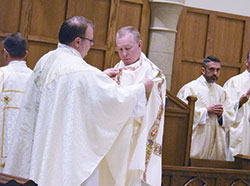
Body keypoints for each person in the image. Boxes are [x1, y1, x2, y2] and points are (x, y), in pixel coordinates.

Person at [3, 16, 153, 186]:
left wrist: (100, 77)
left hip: (42, 149)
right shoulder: (80, 70)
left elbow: (68, 92)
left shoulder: (46, 60)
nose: (91, 45)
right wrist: (141, 88)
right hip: (61, 154)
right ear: (78, 41)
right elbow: (113, 100)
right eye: (91, 40)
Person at [100, 26, 166, 186]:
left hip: (136, 136)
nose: (124, 54)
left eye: (128, 49)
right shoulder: (115, 69)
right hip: (114, 138)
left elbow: (151, 108)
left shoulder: (153, 74)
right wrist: (102, 80)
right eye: (120, 49)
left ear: (139, 44)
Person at [177, 56, 236, 160]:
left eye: (218, 70)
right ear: (203, 70)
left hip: (216, 143)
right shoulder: (190, 88)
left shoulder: (222, 92)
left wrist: (221, 115)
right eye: (212, 69)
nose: (215, 73)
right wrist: (206, 111)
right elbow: (181, 114)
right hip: (198, 139)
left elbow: (230, 116)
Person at [0, 33, 32, 171]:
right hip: (27, 160)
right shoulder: (35, 78)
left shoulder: (2, 75)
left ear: (5, 53)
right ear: (26, 54)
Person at [223, 51, 250, 159]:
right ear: (246, 62)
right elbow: (226, 107)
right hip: (242, 129)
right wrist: (239, 102)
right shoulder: (234, 82)